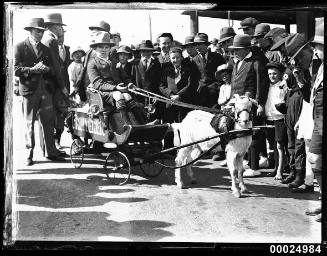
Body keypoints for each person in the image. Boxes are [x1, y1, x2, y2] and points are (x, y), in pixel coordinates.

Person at [14, 17, 66, 165]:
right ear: (30, 31)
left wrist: (47, 69)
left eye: (42, 31)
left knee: (48, 122)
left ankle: (50, 152)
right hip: (30, 91)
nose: (40, 34)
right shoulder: (19, 47)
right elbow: (15, 69)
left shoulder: (46, 49)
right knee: (29, 123)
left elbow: (52, 69)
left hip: (46, 91)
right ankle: (28, 155)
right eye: (37, 31)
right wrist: (31, 70)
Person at [228, 34, 270, 177]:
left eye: (238, 49)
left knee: (254, 134)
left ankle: (255, 167)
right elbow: (234, 85)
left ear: (247, 49)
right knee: (242, 133)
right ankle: (248, 160)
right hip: (238, 105)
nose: (235, 52)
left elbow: (261, 85)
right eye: (234, 49)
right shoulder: (237, 62)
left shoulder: (256, 62)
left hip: (251, 104)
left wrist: (260, 104)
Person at [87, 31, 146, 126]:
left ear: (110, 49)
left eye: (106, 47)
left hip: (117, 90)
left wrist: (129, 83)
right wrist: (116, 88)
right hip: (102, 93)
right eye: (101, 47)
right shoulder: (92, 64)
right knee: (119, 95)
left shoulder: (114, 62)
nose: (104, 50)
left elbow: (125, 77)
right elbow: (97, 84)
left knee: (127, 96)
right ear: (95, 48)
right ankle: (127, 125)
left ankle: (143, 124)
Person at [278, 34, 312, 191]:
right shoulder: (296, 66)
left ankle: (301, 176)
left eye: (299, 56)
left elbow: (309, 96)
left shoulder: (314, 66)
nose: (297, 60)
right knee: (292, 140)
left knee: (302, 145)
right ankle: (295, 171)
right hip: (295, 101)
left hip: (304, 105)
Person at [41, 13, 69, 157]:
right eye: (60, 26)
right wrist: (63, 86)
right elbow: (56, 67)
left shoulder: (45, 38)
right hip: (52, 85)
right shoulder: (51, 39)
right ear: (54, 26)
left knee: (49, 118)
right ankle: (51, 151)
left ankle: (49, 149)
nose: (61, 30)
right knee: (52, 117)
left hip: (46, 84)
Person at [305, 22, 323, 221]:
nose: (315, 50)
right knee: (315, 160)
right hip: (318, 121)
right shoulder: (321, 66)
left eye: (319, 46)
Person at [159, 47, 197, 123]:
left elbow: (190, 85)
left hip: (184, 102)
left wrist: (179, 95)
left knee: (183, 124)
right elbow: (161, 85)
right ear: (170, 59)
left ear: (182, 58)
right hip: (170, 102)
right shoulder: (166, 71)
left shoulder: (187, 70)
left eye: (178, 58)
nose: (175, 60)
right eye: (173, 58)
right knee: (170, 125)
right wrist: (171, 95)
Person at [264, 62, 288, 180]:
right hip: (269, 117)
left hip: (279, 118)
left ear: (280, 74)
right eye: (269, 74)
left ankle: (280, 171)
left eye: (274, 74)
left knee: (280, 144)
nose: (272, 76)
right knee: (273, 144)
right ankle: (276, 167)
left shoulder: (283, 86)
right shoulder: (267, 86)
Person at [130, 40, 162, 121]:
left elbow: (159, 82)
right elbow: (132, 80)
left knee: (153, 120)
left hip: (153, 98)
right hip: (139, 98)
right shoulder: (135, 64)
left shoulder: (156, 64)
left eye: (149, 51)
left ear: (152, 52)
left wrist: (156, 96)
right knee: (141, 120)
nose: (146, 53)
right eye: (144, 51)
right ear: (140, 52)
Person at [192, 33, 226, 107]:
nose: (197, 47)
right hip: (200, 95)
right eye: (196, 45)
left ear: (206, 45)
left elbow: (223, 74)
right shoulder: (194, 60)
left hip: (215, 94)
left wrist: (216, 86)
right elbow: (194, 78)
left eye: (199, 44)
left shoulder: (217, 57)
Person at [212, 63, 233, 163]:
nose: (224, 77)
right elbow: (220, 101)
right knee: (222, 133)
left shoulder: (234, 86)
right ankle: (225, 155)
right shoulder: (222, 87)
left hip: (233, 113)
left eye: (226, 74)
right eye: (222, 75)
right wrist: (226, 100)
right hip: (224, 112)